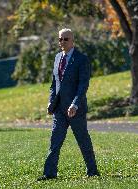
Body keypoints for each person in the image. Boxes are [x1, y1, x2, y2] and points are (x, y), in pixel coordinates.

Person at [37, 28, 99, 181]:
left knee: (83, 141)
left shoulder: (82, 59)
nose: (62, 42)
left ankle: (92, 171)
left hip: (75, 110)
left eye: (66, 39)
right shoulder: (57, 58)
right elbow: (54, 84)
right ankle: (49, 173)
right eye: (60, 39)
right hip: (59, 109)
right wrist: (51, 101)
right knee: (55, 141)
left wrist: (75, 104)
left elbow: (83, 85)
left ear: (73, 41)